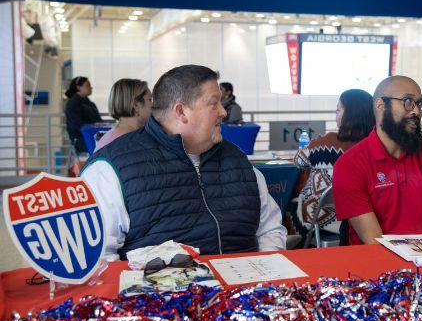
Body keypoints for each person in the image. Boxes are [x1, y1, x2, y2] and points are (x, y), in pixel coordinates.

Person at [81, 65, 286, 260]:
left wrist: (265, 272)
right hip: (161, 295)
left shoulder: (238, 161)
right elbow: (99, 259)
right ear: (181, 112)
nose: (223, 112)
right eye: (214, 103)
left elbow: (270, 229)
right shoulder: (110, 169)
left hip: (248, 291)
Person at [332, 75, 422, 245]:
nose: (416, 111)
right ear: (380, 105)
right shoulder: (349, 165)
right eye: (408, 101)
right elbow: (374, 242)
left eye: (419, 104)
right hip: (377, 266)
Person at [294, 89, 375, 237]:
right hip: (363, 220)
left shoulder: (326, 143)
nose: (335, 114)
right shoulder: (374, 147)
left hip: (316, 218)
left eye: (338, 110)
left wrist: (315, 142)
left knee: (289, 208)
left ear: (350, 115)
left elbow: (299, 160)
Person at [94, 79, 152, 152]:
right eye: (150, 99)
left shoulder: (110, 137)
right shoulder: (132, 142)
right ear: (136, 105)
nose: (153, 105)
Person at [64, 76, 102, 154]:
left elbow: (99, 121)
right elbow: (76, 125)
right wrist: (94, 126)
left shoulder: (90, 104)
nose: (91, 87)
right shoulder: (73, 103)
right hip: (81, 139)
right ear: (78, 87)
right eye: (87, 85)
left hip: (93, 136)